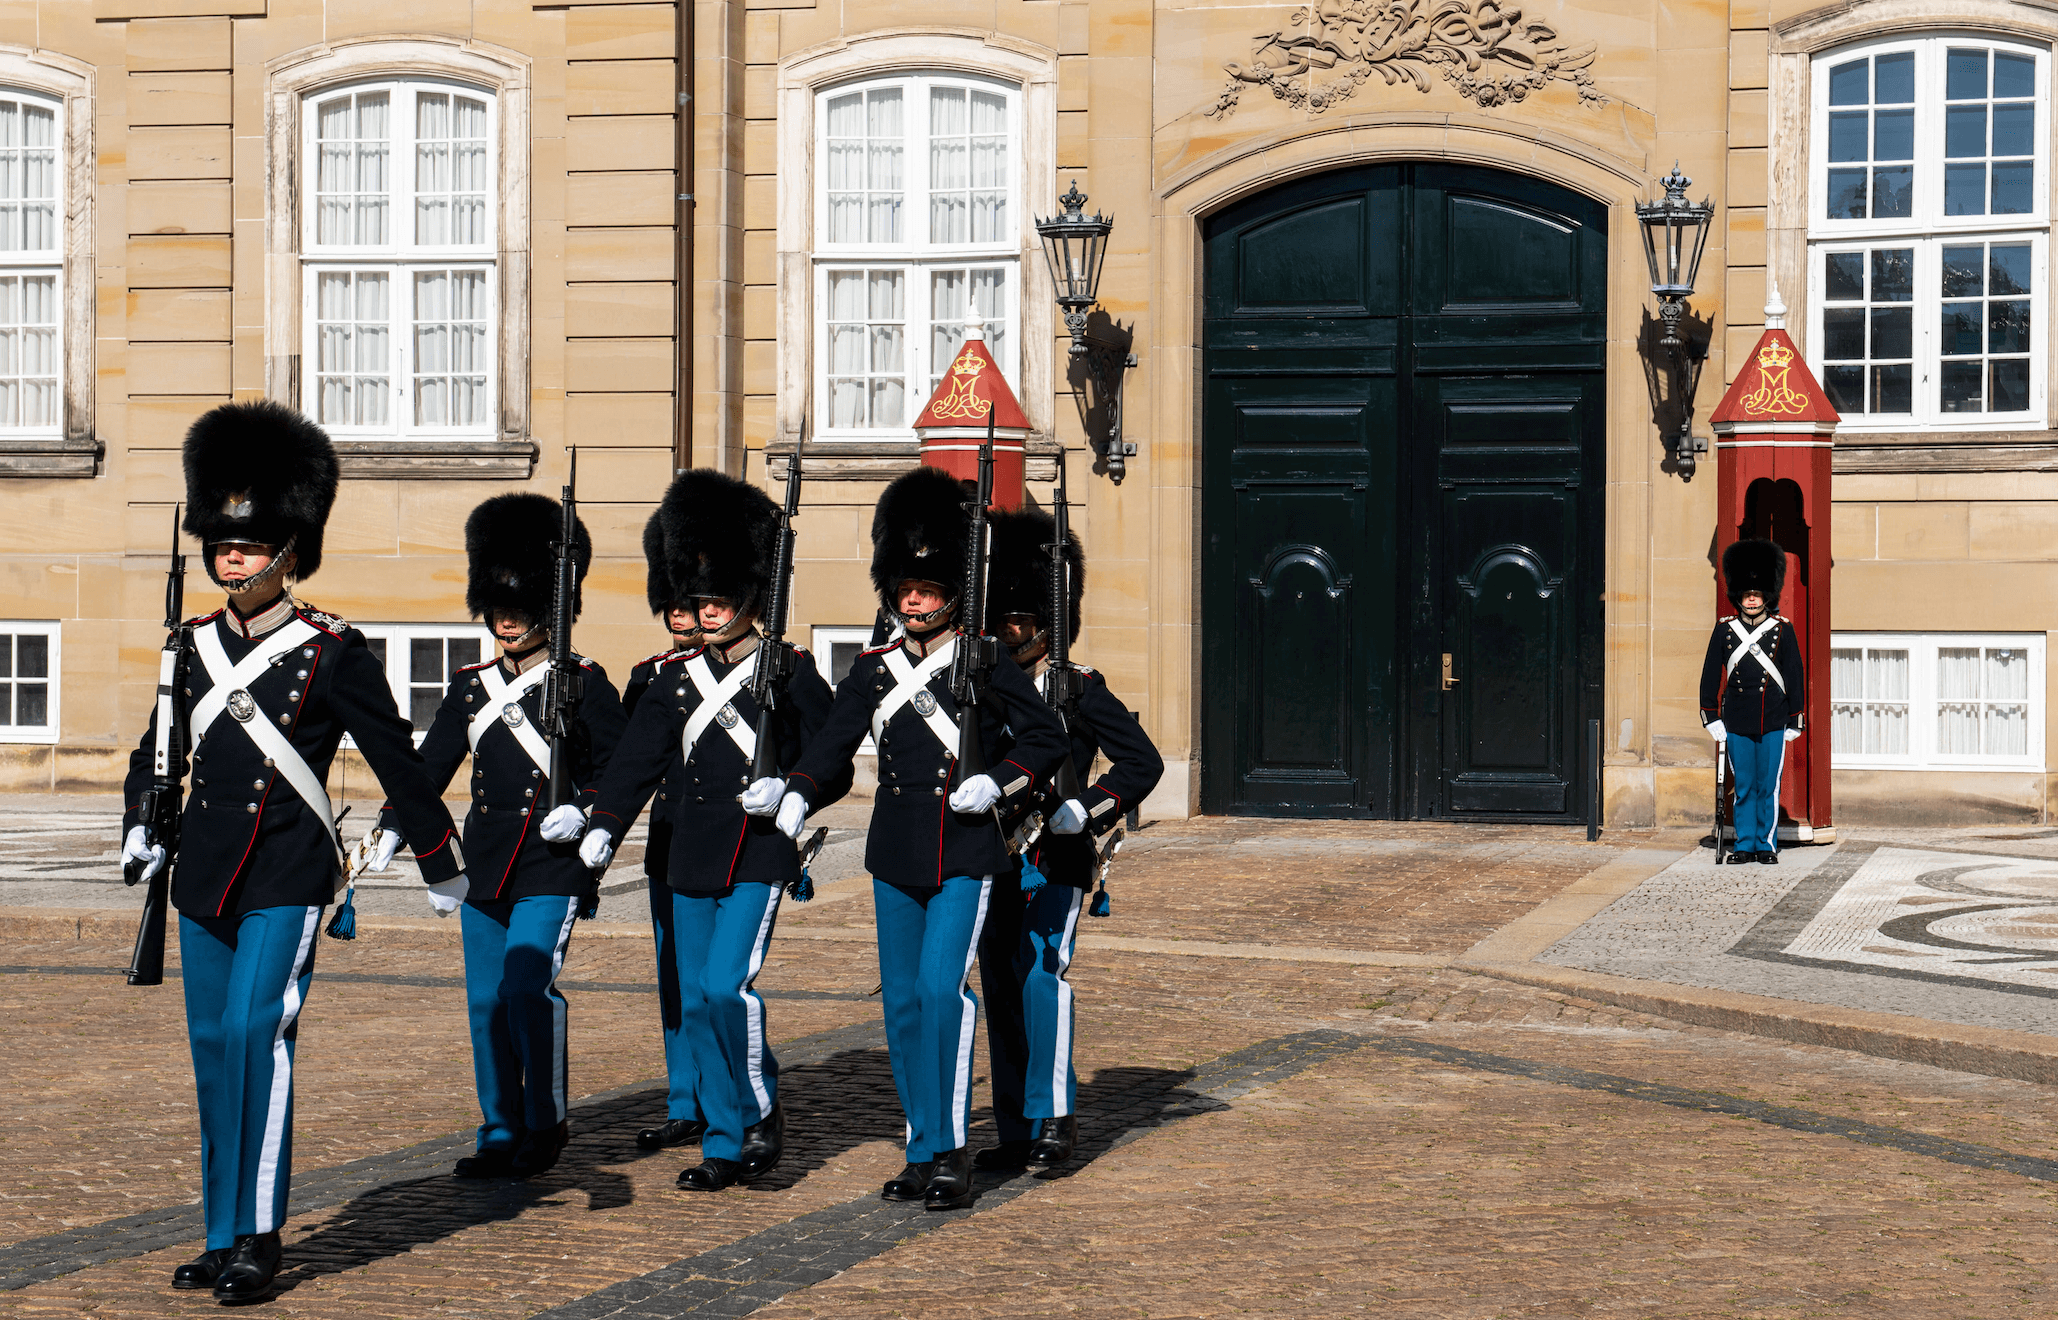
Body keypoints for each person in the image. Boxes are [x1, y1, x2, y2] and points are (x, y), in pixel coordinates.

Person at [119, 402, 467, 1303]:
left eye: (251, 544)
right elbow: (155, 753)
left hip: (286, 871)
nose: (233, 557)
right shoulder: (188, 648)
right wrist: (138, 826)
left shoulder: (332, 649)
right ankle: (220, 1230)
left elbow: (399, 755)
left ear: (288, 549)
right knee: (210, 1047)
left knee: (254, 1037)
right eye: (222, 544)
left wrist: (439, 857)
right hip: (203, 872)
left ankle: (261, 1236)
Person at [746, 466, 1069, 1211]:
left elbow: (1046, 740)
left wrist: (1006, 780)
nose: (912, 601)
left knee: (940, 993)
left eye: (924, 590)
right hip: (895, 853)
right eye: (904, 590)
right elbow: (832, 744)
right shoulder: (872, 668)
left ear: (952, 591)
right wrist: (796, 788)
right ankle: (922, 1146)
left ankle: (952, 1150)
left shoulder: (983, 661)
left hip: (964, 852)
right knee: (902, 1008)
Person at [561, 469, 843, 1191]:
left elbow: (832, 752)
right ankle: (722, 1140)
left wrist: (795, 789)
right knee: (695, 997)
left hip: (757, 853)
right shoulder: (676, 679)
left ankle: (757, 1112)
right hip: (689, 857)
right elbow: (635, 761)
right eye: (702, 601)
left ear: (751, 597)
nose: (710, 612)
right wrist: (605, 825)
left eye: (722, 600)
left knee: (726, 987)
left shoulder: (788, 672)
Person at [362, 493, 625, 1180]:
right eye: (497, 605)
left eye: (520, 603)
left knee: (526, 986)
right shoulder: (473, 687)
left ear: (550, 603)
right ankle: (501, 1127)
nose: (505, 617)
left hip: (553, 862)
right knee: (485, 1001)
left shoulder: (585, 685)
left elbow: (621, 771)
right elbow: (429, 767)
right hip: (483, 867)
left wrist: (590, 813)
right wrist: (398, 826)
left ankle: (546, 1120)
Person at [975, 506, 1162, 1171]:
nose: (1009, 631)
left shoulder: (1079, 690)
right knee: (1000, 986)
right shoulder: (983, 691)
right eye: (1003, 620)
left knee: (1041, 982)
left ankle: (1055, 1121)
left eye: (1021, 622)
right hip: (993, 854)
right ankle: (1015, 1129)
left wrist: (1089, 807)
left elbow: (1142, 762)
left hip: (1054, 853)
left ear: (1048, 626)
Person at [622, 509, 707, 1154]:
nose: (681, 618)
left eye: (690, 605)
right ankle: (685, 1099)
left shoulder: (761, 671)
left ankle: (726, 1094)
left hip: (730, 837)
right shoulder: (650, 676)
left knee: (719, 980)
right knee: (674, 975)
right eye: (673, 606)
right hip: (670, 838)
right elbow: (629, 764)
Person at [1699, 537, 1805, 864]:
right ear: (1739, 597)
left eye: (1757, 595)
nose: (1752, 600)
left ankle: (1766, 844)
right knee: (1743, 786)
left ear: (1766, 597)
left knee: (1767, 787)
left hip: (1773, 719)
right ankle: (1744, 843)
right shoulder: (1725, 630)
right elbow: (1709, 675)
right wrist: (1711, 716)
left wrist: (1795, 718)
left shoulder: (1782, 630)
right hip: (1738, 721)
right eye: (1747, 594)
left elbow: (1794, 674)